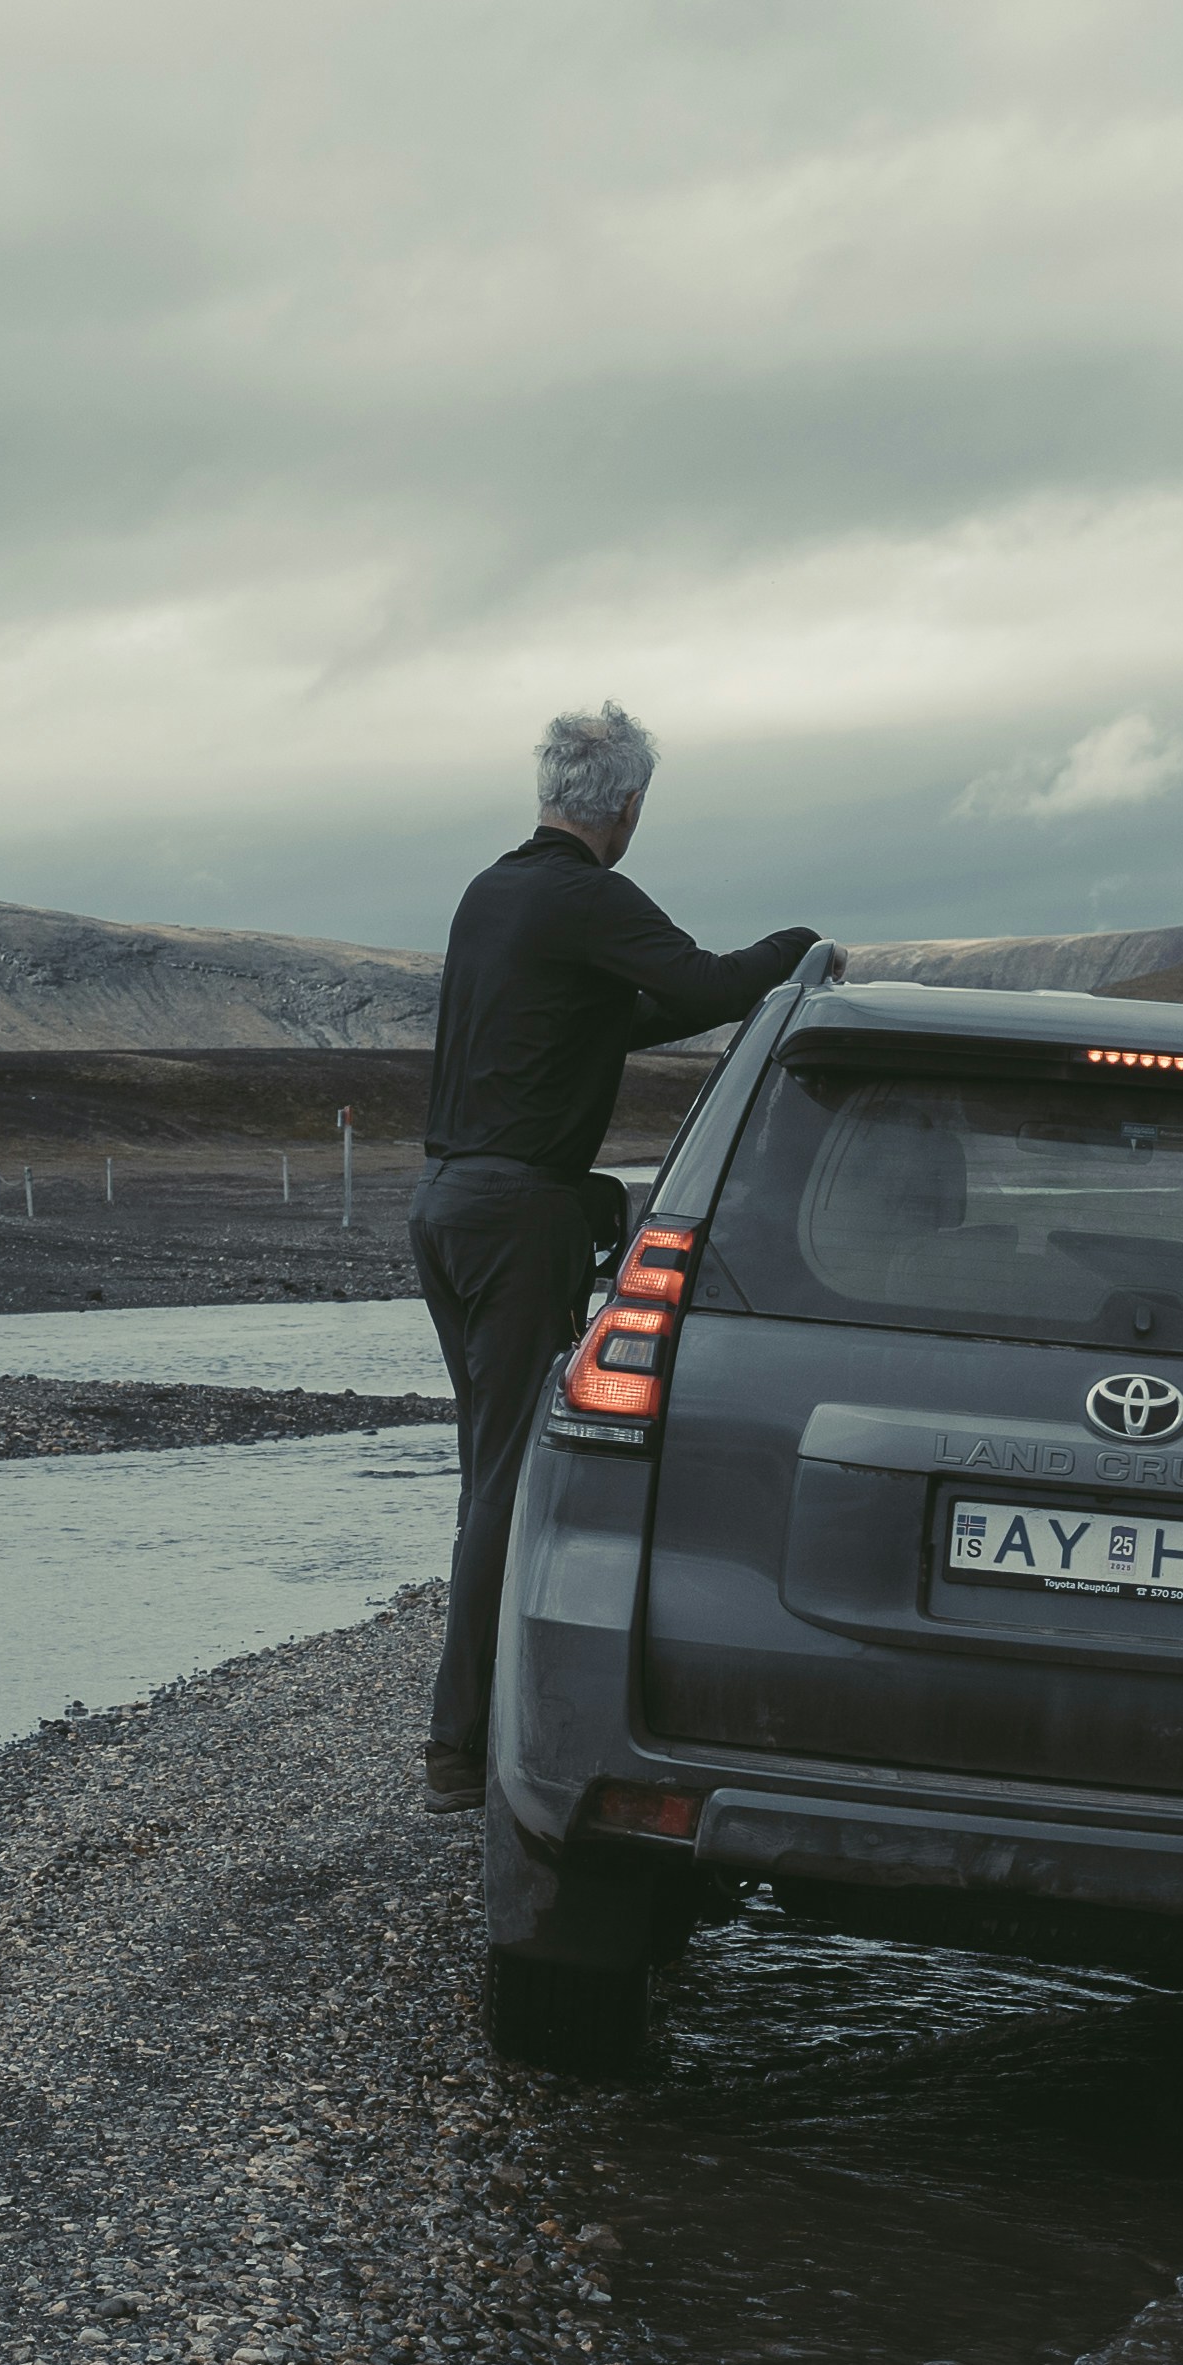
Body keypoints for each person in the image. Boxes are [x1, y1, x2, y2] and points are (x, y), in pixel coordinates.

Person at [412, 706, 820, 1806]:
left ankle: (473, 1725)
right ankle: (459, 1754)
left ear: (550, 789)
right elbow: (707, 987)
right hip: (515, 1221)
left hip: (446, 1207)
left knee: (484, 1472)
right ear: (628, 805)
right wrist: (803, 950)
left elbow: (585, 1021)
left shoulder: (490, 893)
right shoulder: (590, 895)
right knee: (507, 1482)